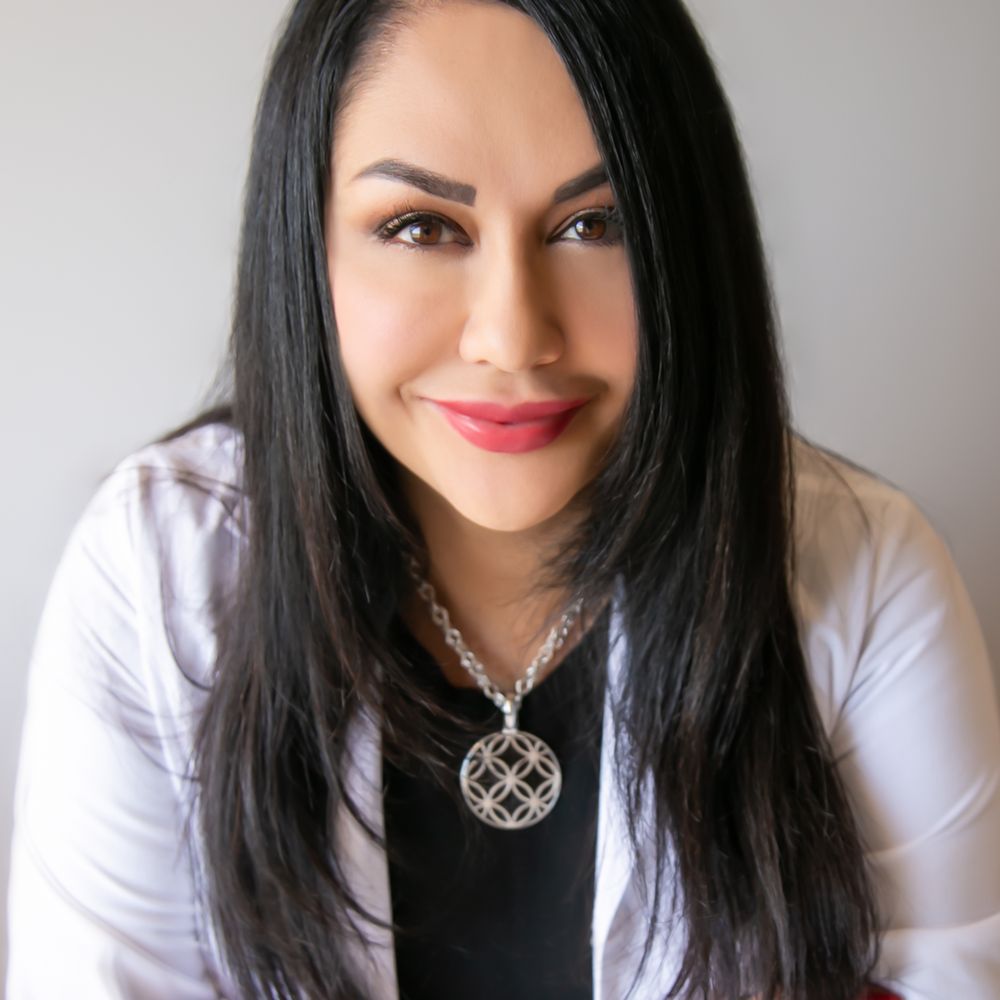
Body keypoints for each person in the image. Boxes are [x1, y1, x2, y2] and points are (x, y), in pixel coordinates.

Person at [7, 0, 1000, 997]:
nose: (513, 335)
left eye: (594, 224)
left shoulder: (864, 568)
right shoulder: (156, 566)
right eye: (421, 227)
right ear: (307, 250)